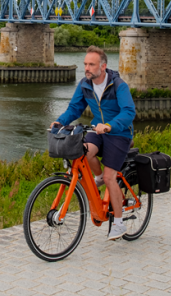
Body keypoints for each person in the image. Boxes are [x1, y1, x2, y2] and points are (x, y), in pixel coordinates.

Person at [52, 45, 136, 241]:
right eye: (85, 64)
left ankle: (118, 223)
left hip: (119, 133)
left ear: (103, 66)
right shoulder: (85, 85)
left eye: (91, 64)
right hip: (98, 130)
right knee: (82, 152)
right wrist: (60, 122)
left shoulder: (118, 85)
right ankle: (97, 176)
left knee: (110, 178)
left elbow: (129, 112)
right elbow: (74, 108)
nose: (87, 68)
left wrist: (110, 125)